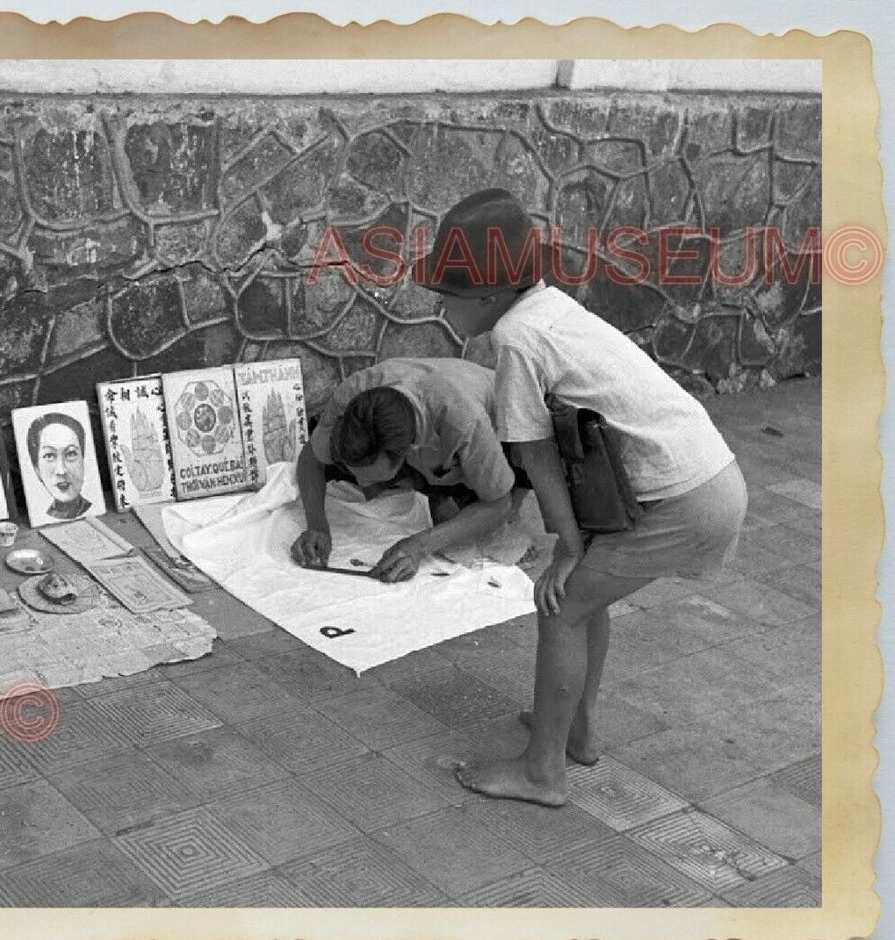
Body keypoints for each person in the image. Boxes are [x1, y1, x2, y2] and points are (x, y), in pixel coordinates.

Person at [414, 188, 747, 806]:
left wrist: (567, 545)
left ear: (487, 295)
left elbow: (535, 453)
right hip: (693, 477)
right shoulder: (545, 307)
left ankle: (543, 772)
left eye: (446, 295)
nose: (440, 307)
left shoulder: (516, 339)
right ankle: (577, 732)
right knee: (584, 601)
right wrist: (576, 543)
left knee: (560, 605)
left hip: (682, 497)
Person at [292, 357, 532, 582]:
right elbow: (310, 458)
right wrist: (317, 527)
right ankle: (439, 494)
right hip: (429, 427)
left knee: (482, 534)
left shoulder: (464, 422)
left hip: (508, 423)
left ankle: (447, 493)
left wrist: (420, 545)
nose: (363, 486)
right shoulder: (350, 397)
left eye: (372, 479)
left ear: (408, 453)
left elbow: (499, 505)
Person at [25, 411, 92, 520]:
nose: (61, 471)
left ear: (83, 459)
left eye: (71, 454)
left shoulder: (94, 509)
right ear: (36, 468)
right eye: (49, 456)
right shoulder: (41, 516)